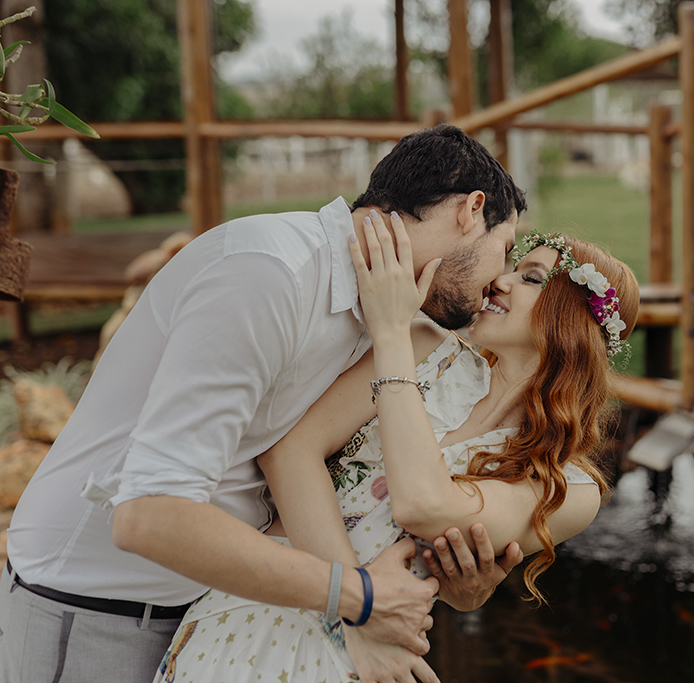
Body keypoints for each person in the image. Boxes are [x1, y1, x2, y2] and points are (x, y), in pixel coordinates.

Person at [0, 124, 527, 683]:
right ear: (472, 210)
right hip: (97, 609)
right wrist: (360, 599)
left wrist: (452, 582)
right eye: (507, 249)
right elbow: (149, 514)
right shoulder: (266, 276)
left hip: (207, 612)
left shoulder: (390, 311)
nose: (501, 280)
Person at [151, 214, 640, 682]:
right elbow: (287, 452)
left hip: (373, 652)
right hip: (268, 603)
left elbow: (425, 506)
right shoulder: (425, 347)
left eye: (530, 278)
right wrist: (352, 610)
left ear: (571, 323)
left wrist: (389, 340)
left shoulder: (569, 488)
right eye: (514, 268)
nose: (502, 282)